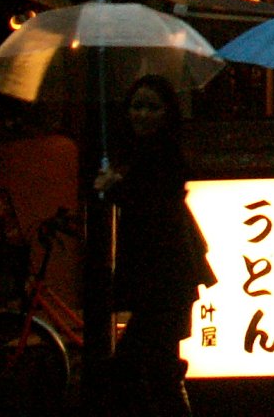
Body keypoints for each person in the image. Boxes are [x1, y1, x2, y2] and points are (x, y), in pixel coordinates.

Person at [94, 75, 215, 417]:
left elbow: (150, 204)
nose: (142, 115)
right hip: (163, 283)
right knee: (157, 370)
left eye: (152, 107)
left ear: (167, 113)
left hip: (165, 282)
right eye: (136, 106)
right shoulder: (144, 153)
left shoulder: (164, 155)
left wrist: (115, 187)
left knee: (139, 369)